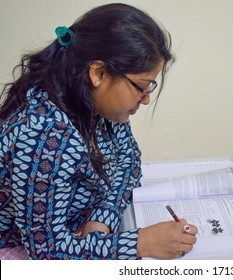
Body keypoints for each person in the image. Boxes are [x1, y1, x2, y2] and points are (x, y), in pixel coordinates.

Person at [0, 3, 198, 260]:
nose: (146, 99)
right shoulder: (42, 135)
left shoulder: (98, 109)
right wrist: (140, 244)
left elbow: (129, 164)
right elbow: (48, 253)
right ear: (99, 73)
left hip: (78, 236)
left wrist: (102, 217)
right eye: (141, 86)